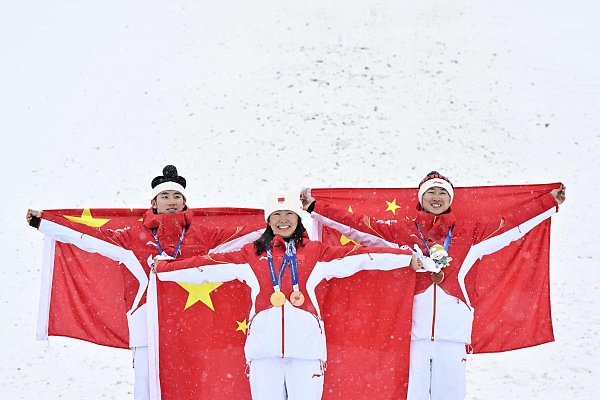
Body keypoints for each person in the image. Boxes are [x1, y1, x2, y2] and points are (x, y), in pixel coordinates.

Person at [300, 172, 566, 400]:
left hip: (453, 335)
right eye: (431, 192)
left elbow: (511, 224)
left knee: (450, 395)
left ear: (450, 200)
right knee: (413, 395)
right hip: (411, 334)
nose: (436, 197)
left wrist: (549, 202)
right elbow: (358, 227)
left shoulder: (470, 234)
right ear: (421, 198)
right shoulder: (401, 232)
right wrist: (317, 208)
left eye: (442, 193)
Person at [152, 187, 428, 400]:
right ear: (268, 221)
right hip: (263, 352)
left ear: (298, 219)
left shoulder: (317, 253)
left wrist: (404, 258)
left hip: (307, 351)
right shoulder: (251, 254)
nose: (283, 220)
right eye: (277, 215)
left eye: (289, 214)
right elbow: (206, 267)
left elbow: (361, 258)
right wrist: (165, 269)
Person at [26, 165, 260, 400]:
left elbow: (250, 233)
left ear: (184, 202)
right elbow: (90, 236)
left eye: (177, 196)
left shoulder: (203, 236)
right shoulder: (133, 237)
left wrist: (278, 218)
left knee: (192, 383)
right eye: (165, 196)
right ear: (154, 203)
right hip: (146, 320)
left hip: (190, 322)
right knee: (146, 386)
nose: (171, 201)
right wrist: (45, 222)